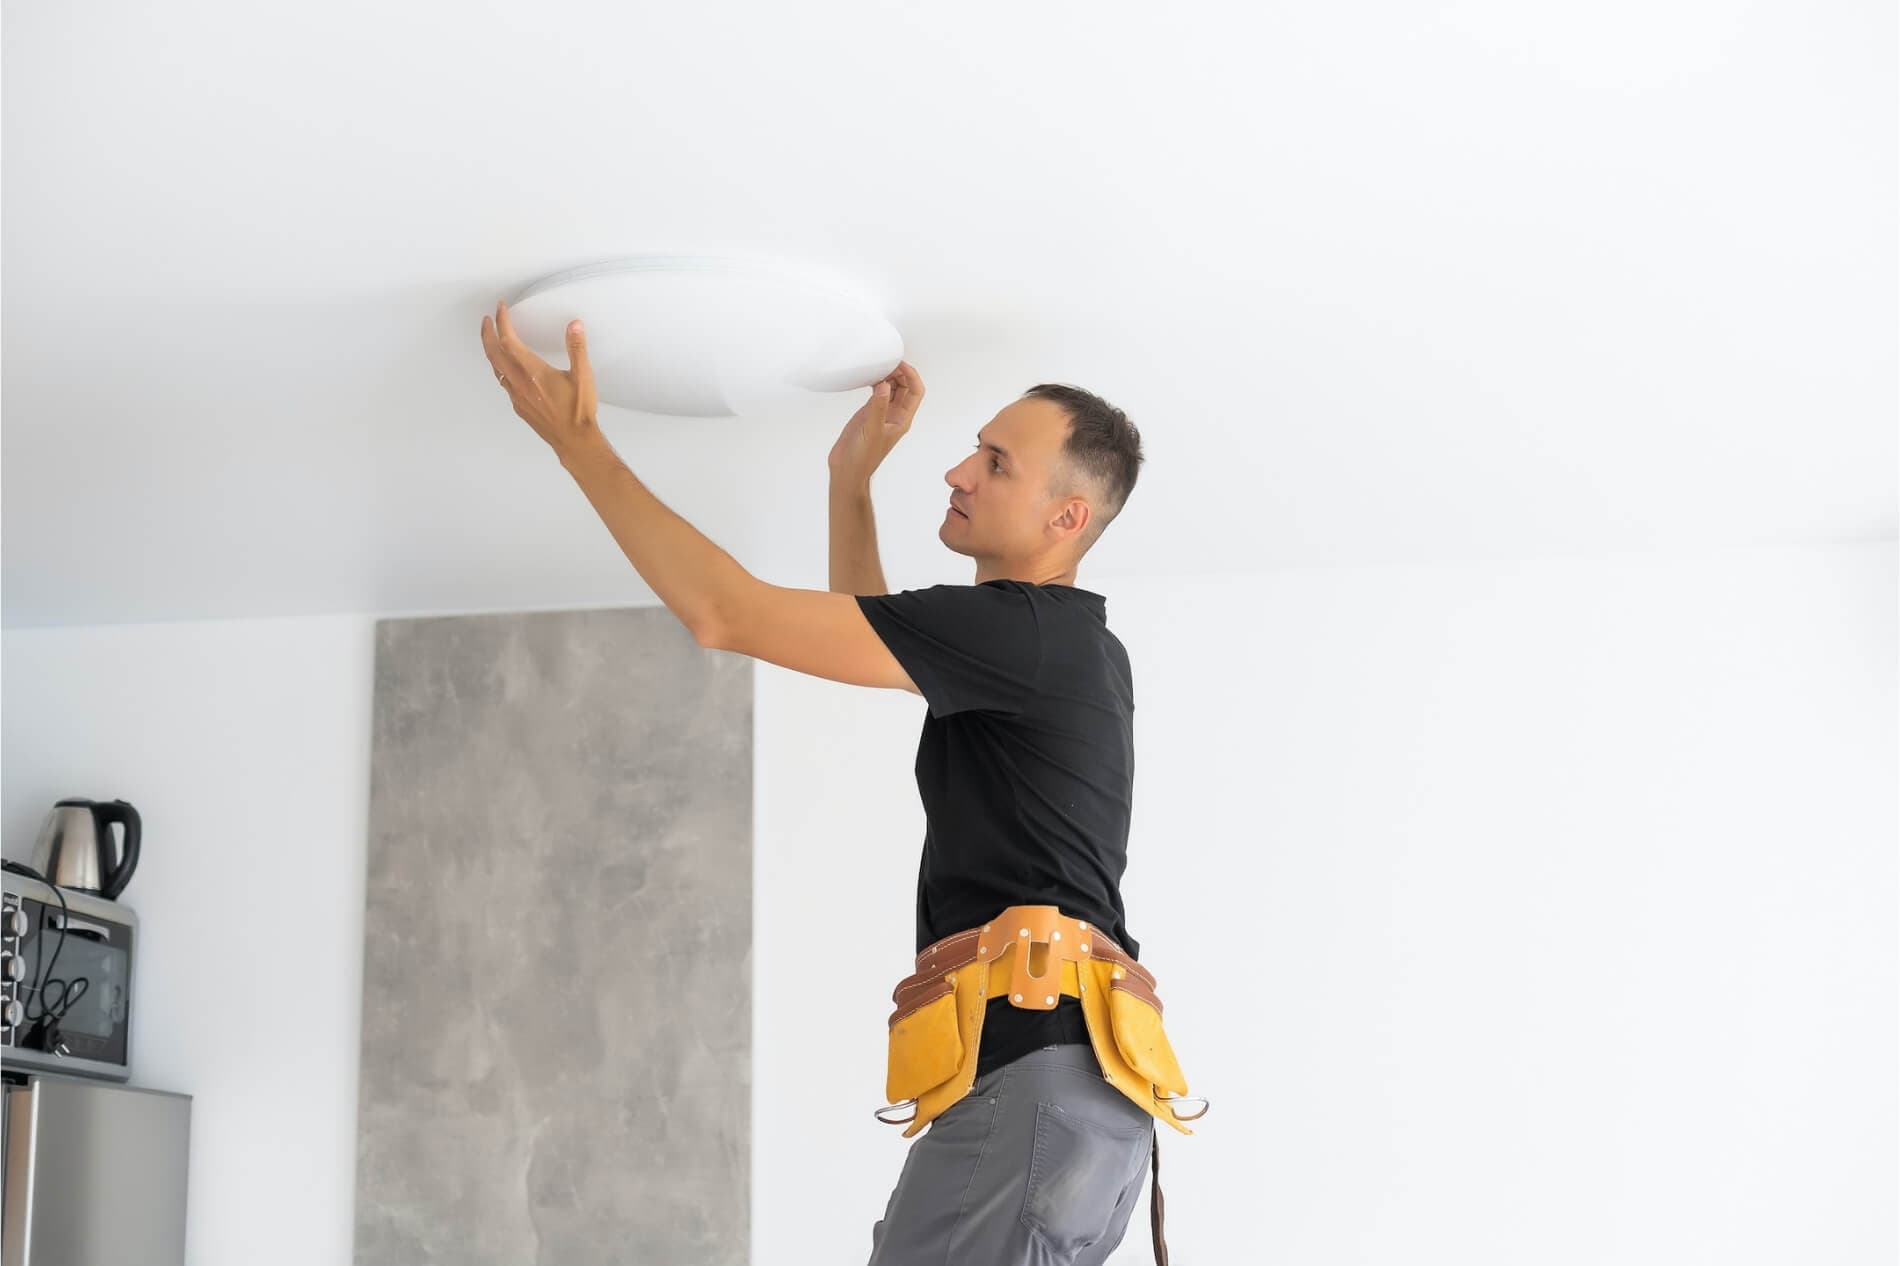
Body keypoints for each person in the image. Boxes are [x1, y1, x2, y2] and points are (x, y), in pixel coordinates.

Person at [479, 304, 1189, 1266]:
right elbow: (877, 637)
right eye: (975, 450)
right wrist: (849, 479)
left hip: (1035, 1081)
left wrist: (580, 441)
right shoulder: (1058, 648)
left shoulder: (1029, 636)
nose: (958, 470)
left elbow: (725, 614)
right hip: (1074, 1088)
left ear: (1069, 517)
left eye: (996, 463)